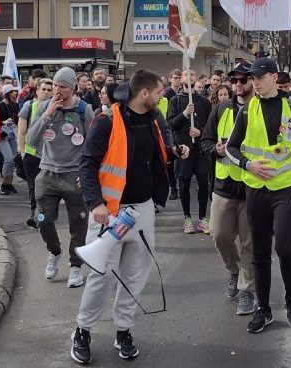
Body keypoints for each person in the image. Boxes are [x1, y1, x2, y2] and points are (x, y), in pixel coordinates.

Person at [73, 70, 189, 364]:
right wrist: (96, 203)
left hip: (143, 210)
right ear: (145, 94)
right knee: (100, 277)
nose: (163, 96)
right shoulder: (107, 121)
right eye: (160, 92)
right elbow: (87, 165)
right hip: (109, 213)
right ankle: (83, 331)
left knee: (134, 277)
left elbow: (151, 157)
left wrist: (174, 152)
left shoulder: (151, 119)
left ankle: (123, 330)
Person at [225, 57, 291, 334]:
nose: (253, 82)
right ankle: (264, 308)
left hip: (288, 186)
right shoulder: (246, 109)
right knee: (259, 251)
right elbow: (232, 148)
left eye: (258, 77)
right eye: (251, 79)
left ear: (272, 77)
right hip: (256, 189)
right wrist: (249, 164)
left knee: (285, 245)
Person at [27, 67, 93, 288]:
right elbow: (32, 140)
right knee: (42, 219)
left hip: (74, 175)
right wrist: (47, 115)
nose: (57, 90)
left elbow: (92, 147)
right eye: (54, 85)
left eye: (62, 86)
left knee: (78, 224)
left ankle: (75, 266)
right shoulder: (44, 107)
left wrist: (86, 175)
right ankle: (54, 251)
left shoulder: (85, 110)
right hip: (47, 173)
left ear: (72, 88)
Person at [200, 62, 256, 316]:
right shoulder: (221, 109)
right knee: (219, 236)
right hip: (223, 186)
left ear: (252, 81)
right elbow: (205, 141)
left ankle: (247, 290)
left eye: (243, 80)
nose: (238, 85)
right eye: (234, 81)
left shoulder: (261, 108)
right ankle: (233, 271)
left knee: (248, 242)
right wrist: (216, 150)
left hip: (252, 187)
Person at [168, 77, 214, 234]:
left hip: (201, 150)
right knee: (184, 183)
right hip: (184, 149)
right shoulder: (175, 100)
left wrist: (200, 132)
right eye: (187, 74)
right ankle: (187, 217)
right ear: (181, 80)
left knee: (203, 182)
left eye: (193, 74)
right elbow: (171, 124)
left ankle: (202, 218)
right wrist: (185, 113)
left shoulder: (204, 102)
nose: (190, 76)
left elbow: (210, 125)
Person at [18, 78, 53, 228]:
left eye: (49, 90)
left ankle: (45, 215)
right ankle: (35, 215)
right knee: (34, 187)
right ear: (37, 90)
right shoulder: (29, 106)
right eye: (43, 89)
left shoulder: (55, 107)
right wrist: (23, 152)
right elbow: (21, 130)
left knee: (47, 188)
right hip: (32, 155)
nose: (46, 92)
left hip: (50, 155)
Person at [0, 85, 21, 195]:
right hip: (2, 135)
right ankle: (4, 184)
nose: (15, 93)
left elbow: (19, 120)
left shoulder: (15, 105)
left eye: (15, 91)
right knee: (8, 159)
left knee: (12, 160)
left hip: (12, 134)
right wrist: (3, 122)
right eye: (12, 92)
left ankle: (9, 184)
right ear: (7, 93)